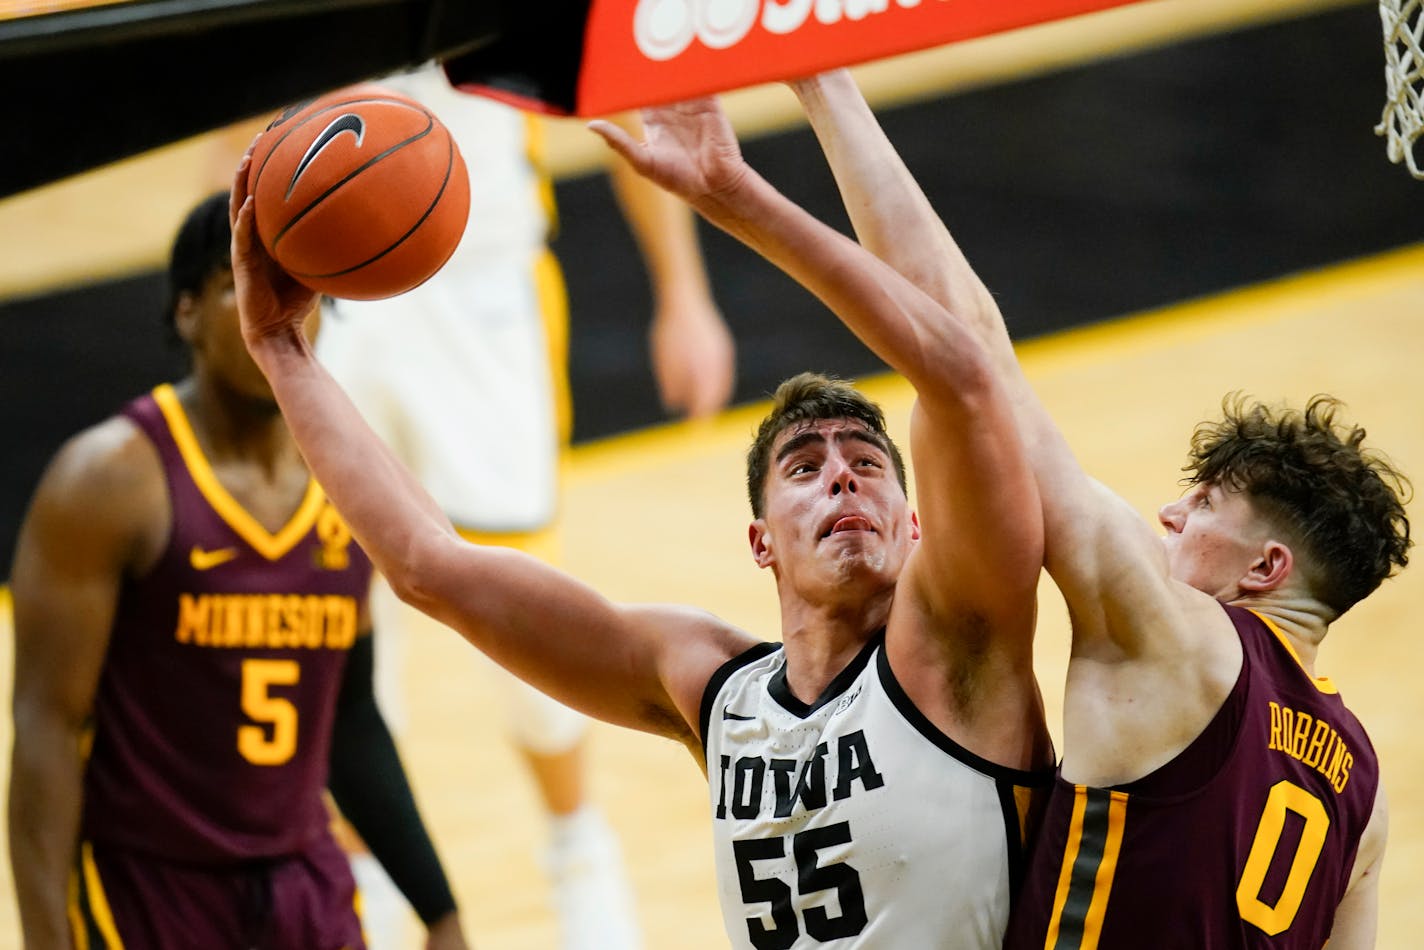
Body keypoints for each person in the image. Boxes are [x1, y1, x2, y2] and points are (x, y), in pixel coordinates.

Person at [229, 77, 1057, 948]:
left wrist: (739, 199)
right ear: (760, 543)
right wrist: (281, 351)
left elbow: (962, 379)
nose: (843, 479)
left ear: (918, 525)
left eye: (867, 462)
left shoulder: (961, 647)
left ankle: (578, 857)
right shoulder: (714, 690)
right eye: (805, 467)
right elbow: (429, 568)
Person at [780, 69, 1408, 946]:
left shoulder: (1178, 641)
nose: (1168, 514)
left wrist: (824, 87)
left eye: (1204, 504)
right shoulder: (1364, 790)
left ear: (1268, 568)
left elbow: (974, 354)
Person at [303, 65, 738, 950]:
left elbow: (620, 90)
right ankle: (367, 875)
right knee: (343, 622)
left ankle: (579, 850)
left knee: (520, 613)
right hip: (331, 284)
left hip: (480, 281)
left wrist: (683, 294)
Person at [8, 192, 469, 950]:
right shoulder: (106, 482)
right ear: (186, 312)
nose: (274, 311)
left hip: (302, 880)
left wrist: (440, 910)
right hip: (151, 889)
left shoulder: (349, 487)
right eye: (239, 286)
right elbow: (46, 730)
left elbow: (351, 720)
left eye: (298, 290)